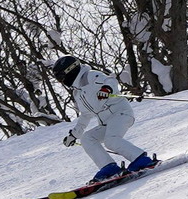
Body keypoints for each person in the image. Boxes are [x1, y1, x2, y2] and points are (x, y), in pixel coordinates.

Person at [52, 55, 156, 183]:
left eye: (61, 78)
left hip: (120, 113)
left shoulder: (90, 76)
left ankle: (141, 160)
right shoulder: (77, 92)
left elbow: (111, 80)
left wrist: (106, 89)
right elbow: (85, 115)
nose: (62, 82)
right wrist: (74, 135)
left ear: (70, 70)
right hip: (106, 122)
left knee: (111, 140)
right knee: (87, 138)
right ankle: (109, 167)